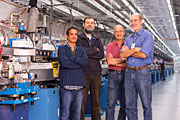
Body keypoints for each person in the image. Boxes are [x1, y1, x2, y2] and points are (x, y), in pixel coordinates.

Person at [120, 13, 154, 120]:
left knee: (146, 104)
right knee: (130, 106)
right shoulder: (129, 38)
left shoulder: (147, 36)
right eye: (131, 21)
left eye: (135, 20)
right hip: (129, 73)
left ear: (141, 21)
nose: (133, 23)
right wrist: (135, 49)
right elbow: (122, 55)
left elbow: (144, 55)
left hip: (142, 72)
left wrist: (128, 52)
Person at [77, 16, 104, 120]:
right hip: (83, 74)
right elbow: (79, 52)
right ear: (83, 24)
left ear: (94, 25)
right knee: (81, 101)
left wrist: (87, 52)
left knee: (96, 102)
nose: (90, 24)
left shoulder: (97, 40)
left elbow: (101, 55)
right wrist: (94, 50)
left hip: (96, 74)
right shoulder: (79, 39)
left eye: (92, 23)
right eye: (88, 23)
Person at [58, 27, 88, 120]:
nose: (74, 36)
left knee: (77, 114)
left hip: (79, 87)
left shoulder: (81, 50)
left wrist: (72, 58)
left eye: (75, 34)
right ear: (67, 36)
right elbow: (64, 63)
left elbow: (85, 62)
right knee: (65, 113)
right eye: (71, 34)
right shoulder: (61, 49)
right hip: (67, 87)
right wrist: (78, 63)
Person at [105, 25, 126, 120]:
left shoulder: (127, 45)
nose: (119, 33)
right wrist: (123, 60)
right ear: (114, 33)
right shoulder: (110, 46)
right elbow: (110, 62)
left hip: (126, 75)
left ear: (124, 32)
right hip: (113, 75)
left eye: (120, 31)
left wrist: (115, 60)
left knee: (125, 102)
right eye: (116, 31)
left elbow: (128, 62)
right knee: (111, 103)